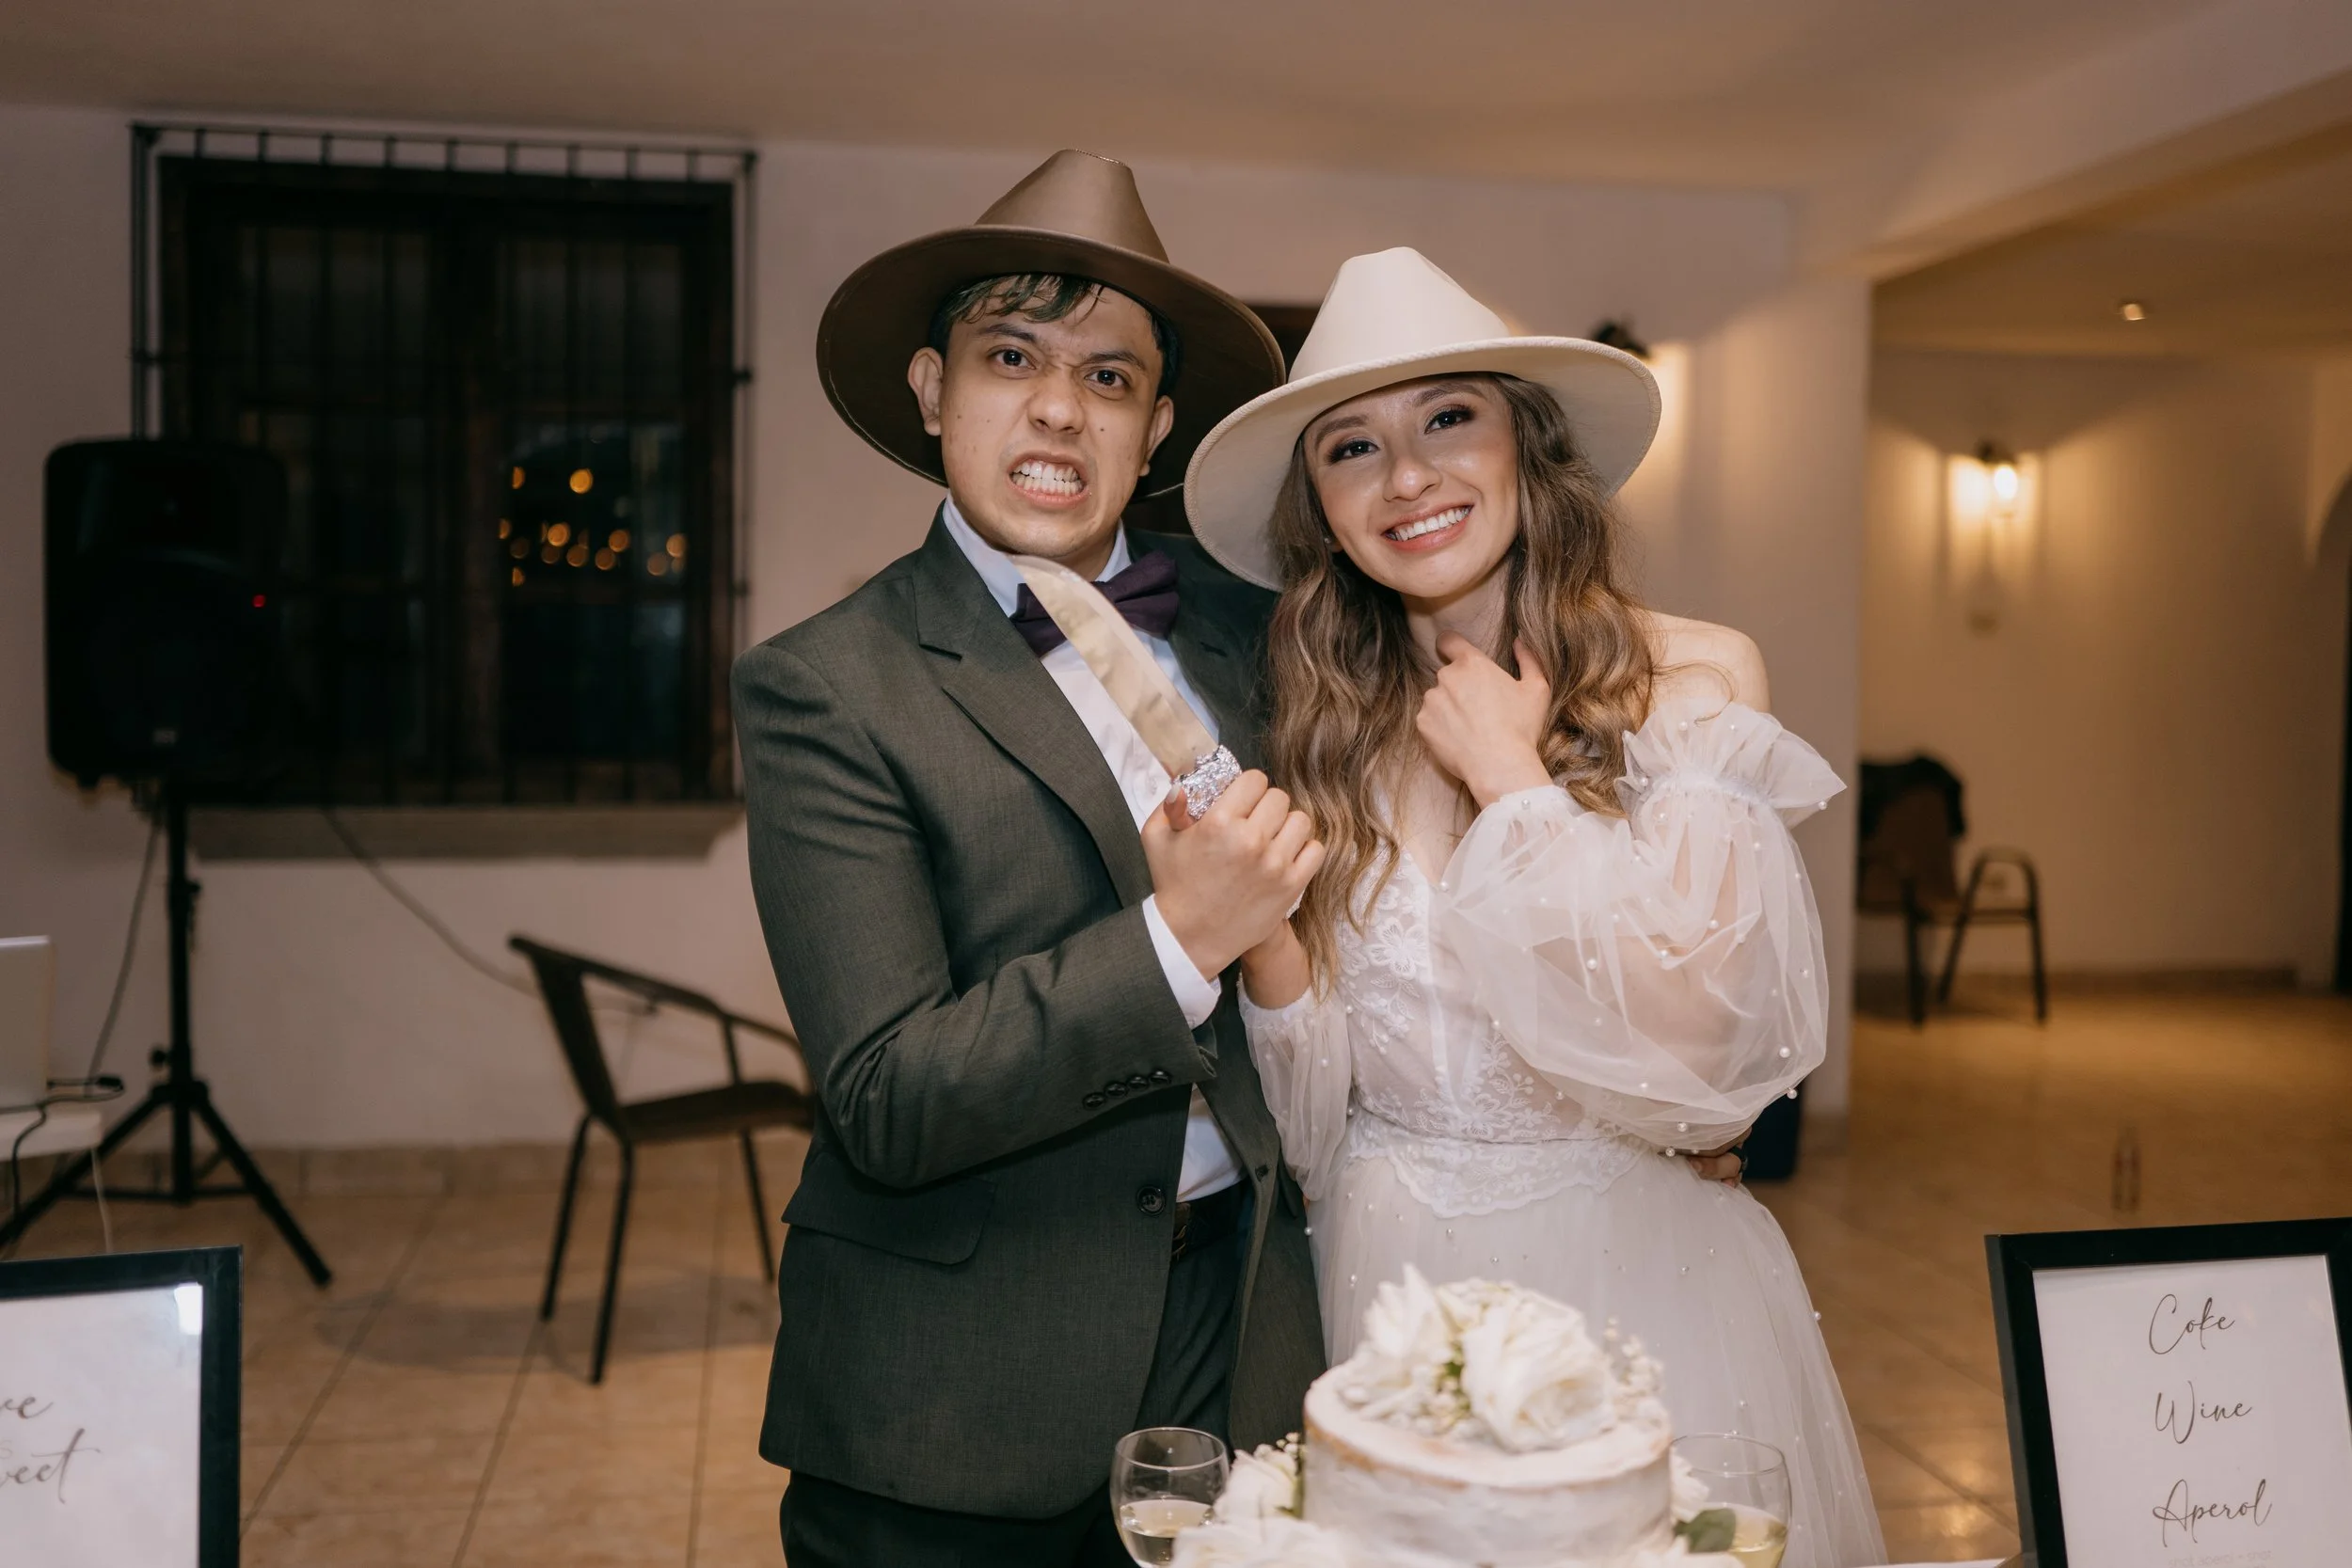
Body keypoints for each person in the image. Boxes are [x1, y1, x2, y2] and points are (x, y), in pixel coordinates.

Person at [1182, 247, 1886, 1568]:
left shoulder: (1693, 681)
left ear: (1528, 446)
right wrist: (1267, 937)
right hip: (1388, 1284)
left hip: (1639, 1291)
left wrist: (1515, 785)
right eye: (1351, 447)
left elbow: (1710, 1074)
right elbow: (1318, 1134)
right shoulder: (1325, 731)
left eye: (1449, 416)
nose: (1407, 477)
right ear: (1321, 508)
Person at [733, 150, 1327, 1567]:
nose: (1060, 406)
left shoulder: (1258, 635)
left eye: (1109, 377)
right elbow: (886, 1095)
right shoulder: (827, 685)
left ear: (1157, 425)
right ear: (932, 389)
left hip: (1239, 1342)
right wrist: (1181, 939)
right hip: (957, 1387)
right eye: (1012, 357)